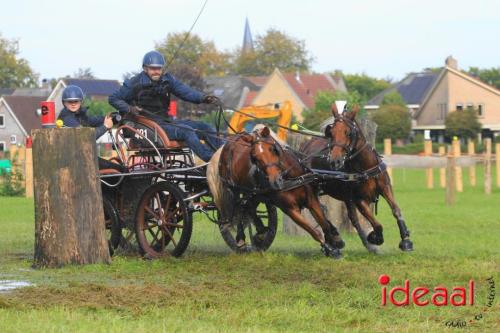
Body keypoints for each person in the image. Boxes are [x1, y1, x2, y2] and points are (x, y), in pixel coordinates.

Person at [108, 50, 223, 162]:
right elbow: (113, 98)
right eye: (153, 68)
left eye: (159, 68)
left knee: (205, 127)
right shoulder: (134, 83)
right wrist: (130, 109)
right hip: (147, 126)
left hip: (165, 122)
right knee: (187, 131)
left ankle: (225, 154)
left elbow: (185, 92)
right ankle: (212, 159)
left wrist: (203, 98)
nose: (156, 72)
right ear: (145, 68)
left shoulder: (167, 80)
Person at [58, 85, 125, 172]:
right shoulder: (68, 119)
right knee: (120, 170)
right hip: (75, 161)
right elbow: (85, 138)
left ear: (80, 101)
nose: (73, 103)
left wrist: (107, 117)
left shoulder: (78, 115)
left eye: (76, 101)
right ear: (64, 103)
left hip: (81, 157)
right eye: (70, 101)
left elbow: (91, 121)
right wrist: (105, 127)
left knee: (116, 169)